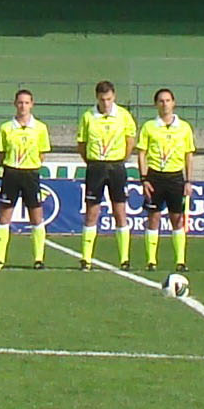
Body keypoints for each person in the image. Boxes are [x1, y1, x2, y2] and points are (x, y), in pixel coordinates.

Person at [75, 81, 138, 270]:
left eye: (109, 99)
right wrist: (93, 162)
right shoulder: (88, 116)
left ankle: (124, 259)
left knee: (120, 211)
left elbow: (130, 142)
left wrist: (120, 160)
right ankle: (86, 258)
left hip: (117, 167)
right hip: (95, 167)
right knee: (92, 212)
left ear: (114, 97)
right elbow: (82, 144)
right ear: (97, 98)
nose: (106, 103)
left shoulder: (124, 116)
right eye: (102, 100)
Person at [136, 88, 194, 271]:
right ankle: (151, 261)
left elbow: (188, 155)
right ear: (156, 104)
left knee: (177, 219)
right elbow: (142, 154)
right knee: (153, 217)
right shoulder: (149, 127)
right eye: (161, 101)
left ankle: (180, 261)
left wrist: (188, 181)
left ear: (173, 103)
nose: (165, 104)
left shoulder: (184, 127)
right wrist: (144, 178)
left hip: (176, 177)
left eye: (168, 100)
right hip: (155, 177)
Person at [0, 90, 51, 269]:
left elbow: (42, 154)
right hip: (11, 173)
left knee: (36, 216)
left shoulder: (40, 128)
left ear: (32, 104)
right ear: (15, 104)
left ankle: (38, 260)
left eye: (26, 103)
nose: (23, 106)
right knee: (4, 215)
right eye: (20, 103)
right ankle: (0, 260)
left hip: (31, 174)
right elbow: (0, 154)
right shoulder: (6, 128)